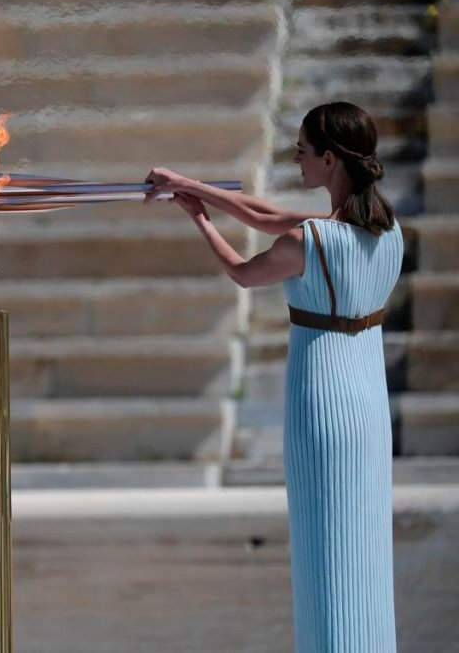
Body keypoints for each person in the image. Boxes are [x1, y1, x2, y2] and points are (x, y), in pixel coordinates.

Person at [145, 101, 402, 652]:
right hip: (369, 406)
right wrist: (190, 184)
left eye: (304, 150)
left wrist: (198, 217)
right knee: (364, 554)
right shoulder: (387, 230)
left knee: (325, 555)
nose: (297, 158)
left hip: (323, 404)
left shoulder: (310, 241)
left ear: (331, 160)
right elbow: (263, 214)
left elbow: (242, 273)